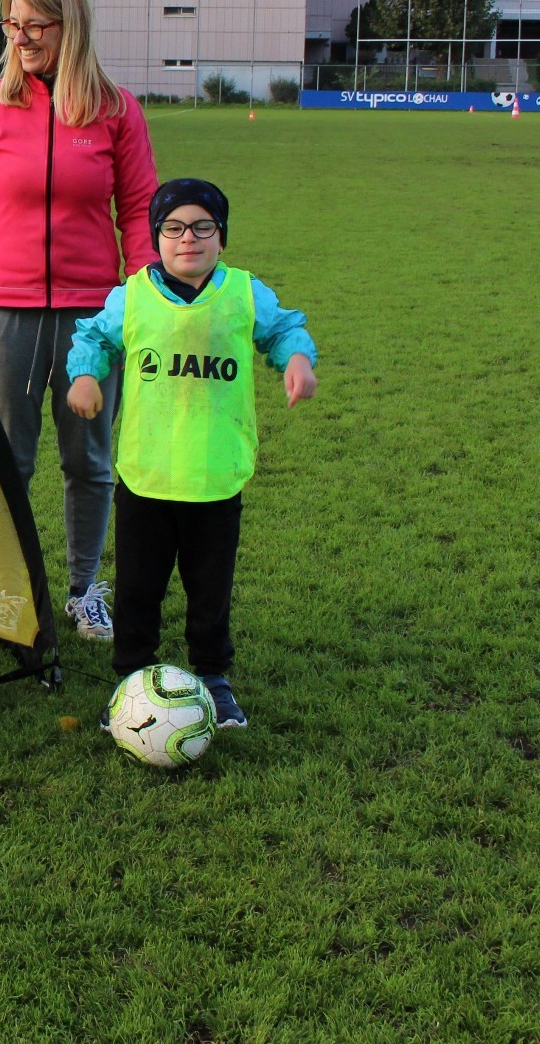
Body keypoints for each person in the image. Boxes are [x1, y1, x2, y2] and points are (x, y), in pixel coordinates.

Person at [0, 0, 158, 645]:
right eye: (13, 25)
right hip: (6, 313)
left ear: (69, 25)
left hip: (96, 319)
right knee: (8, 464)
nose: (21, 38)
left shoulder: (117, 110)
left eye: (35, 25)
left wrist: (146, 300)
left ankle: (85, 591)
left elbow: (139, 211)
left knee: (89, 461)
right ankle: (9, 589)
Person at [64, 178, 318, 730]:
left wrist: (297, 359)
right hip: (147, 476)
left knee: (210, 590)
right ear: (156, 237)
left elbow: (284, 329)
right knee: (137, 590)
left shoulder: (244, 292)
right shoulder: (133, 295)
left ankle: (213, 677)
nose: (188, 239)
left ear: (221, 237)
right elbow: (94, 338)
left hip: (214, 475)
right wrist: (84, 375)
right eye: (174, 227)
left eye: (203, 227)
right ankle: (131, 677)